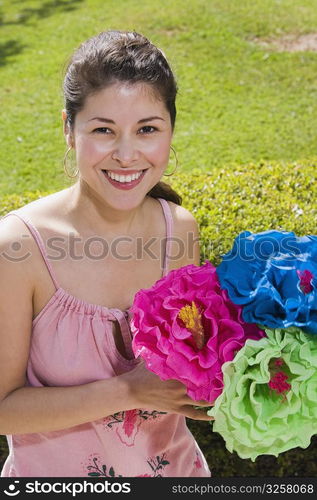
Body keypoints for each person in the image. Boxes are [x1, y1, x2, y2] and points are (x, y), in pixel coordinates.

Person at [0, 30, 212, 478]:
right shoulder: (18, 248)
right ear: (68, 130)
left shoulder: (179, 229)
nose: (126, 154)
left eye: (147, 129)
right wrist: (127, 391)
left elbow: (193, 364)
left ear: (171, 129)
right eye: (103, 130)